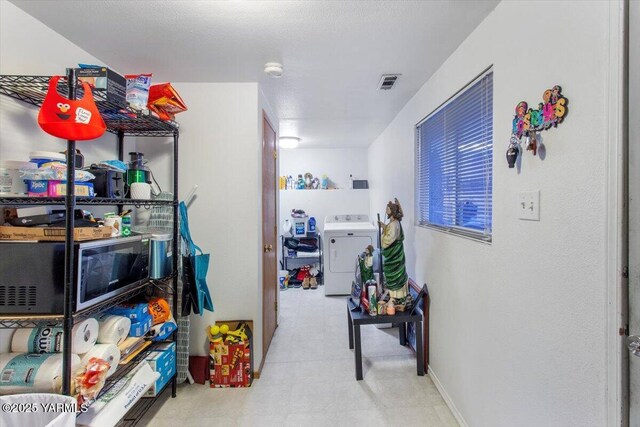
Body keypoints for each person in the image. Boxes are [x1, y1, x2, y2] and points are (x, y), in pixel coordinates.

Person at [378, 198, 409, 310]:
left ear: (392, 211)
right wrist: (384, 227)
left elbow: (389, 239)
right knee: (391, 275)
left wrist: (382, 235)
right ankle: (393, 297)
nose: (386, 210)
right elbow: (390, 231)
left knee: (396, 275)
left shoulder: (395, 224)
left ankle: (397, 299)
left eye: (388, 209)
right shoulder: (393, 223)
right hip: (392, 255)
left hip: (395, 255)